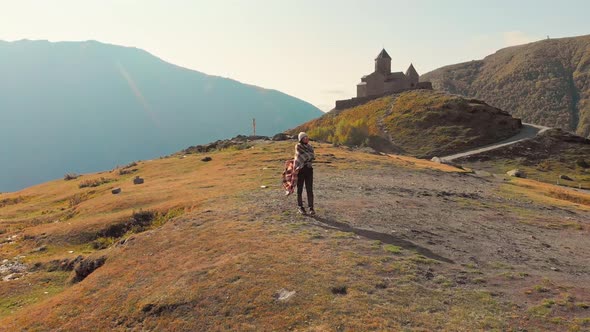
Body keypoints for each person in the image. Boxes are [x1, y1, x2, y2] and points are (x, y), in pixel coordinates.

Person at [293, 132, 315, 215]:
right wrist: (308, 155)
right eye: (304, 137)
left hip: (309, 169)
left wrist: (307, 156)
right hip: (300, 170)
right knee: (300, 189)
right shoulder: (298, 146)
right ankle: (300, 207)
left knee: (310, 189)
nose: (306, 139)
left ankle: (311, 208)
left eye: (307, 137)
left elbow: (312, 156)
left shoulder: (310, 147)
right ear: (301, 139)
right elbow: (302, 156)